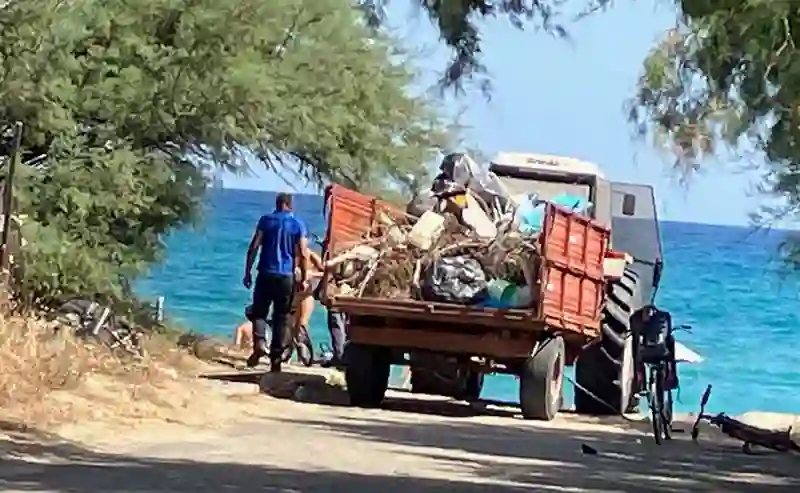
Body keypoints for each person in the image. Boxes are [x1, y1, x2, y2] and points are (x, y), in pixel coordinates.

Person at [243, 193, 310, 372]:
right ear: (289, 204)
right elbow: (303, 253)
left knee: (259, 312)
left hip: (265, 273)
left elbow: (254, 246)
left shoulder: (266, 221)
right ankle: (276, 360)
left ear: (278, 204)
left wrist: (247, 272)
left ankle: (259, 343)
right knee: (282, 318)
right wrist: (304, 278)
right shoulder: (297, 224)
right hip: (286, 276)